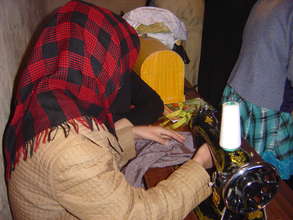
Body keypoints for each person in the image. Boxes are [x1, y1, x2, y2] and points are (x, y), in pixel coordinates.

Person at [4, 1, 213, 219]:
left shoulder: (48, 95)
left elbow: (77, 155)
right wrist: (199, 167)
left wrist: (129, 133)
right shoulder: (70, 150)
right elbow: (139, 215)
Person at [222, 0, 293, 180]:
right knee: (267, 177)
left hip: (237, 90)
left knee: (237, 164)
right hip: (268, 101)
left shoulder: (266, 2)